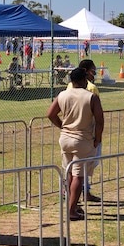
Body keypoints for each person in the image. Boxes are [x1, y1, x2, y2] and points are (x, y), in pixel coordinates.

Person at [47, 68, 104, 221]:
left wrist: (62, 126)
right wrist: (97, 139)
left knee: (69, 173)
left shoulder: (62, 95)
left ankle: (73, 204)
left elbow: (50, 114)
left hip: (65, 138)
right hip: (83, 139)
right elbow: (99, 121)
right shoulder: (91, 97)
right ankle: (72, 209)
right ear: (84, 80)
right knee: (79, 175)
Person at [67, 59, 102, 202]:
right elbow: (98, 116)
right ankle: (77, 200)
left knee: (72, 168)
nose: (95, 73)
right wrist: (97, 137)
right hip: (87, 133)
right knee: (84, 167)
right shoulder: (92, 89)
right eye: (93, 70)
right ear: (87, 72)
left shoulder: (68, 87)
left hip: (69, 131)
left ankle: (72, 196)